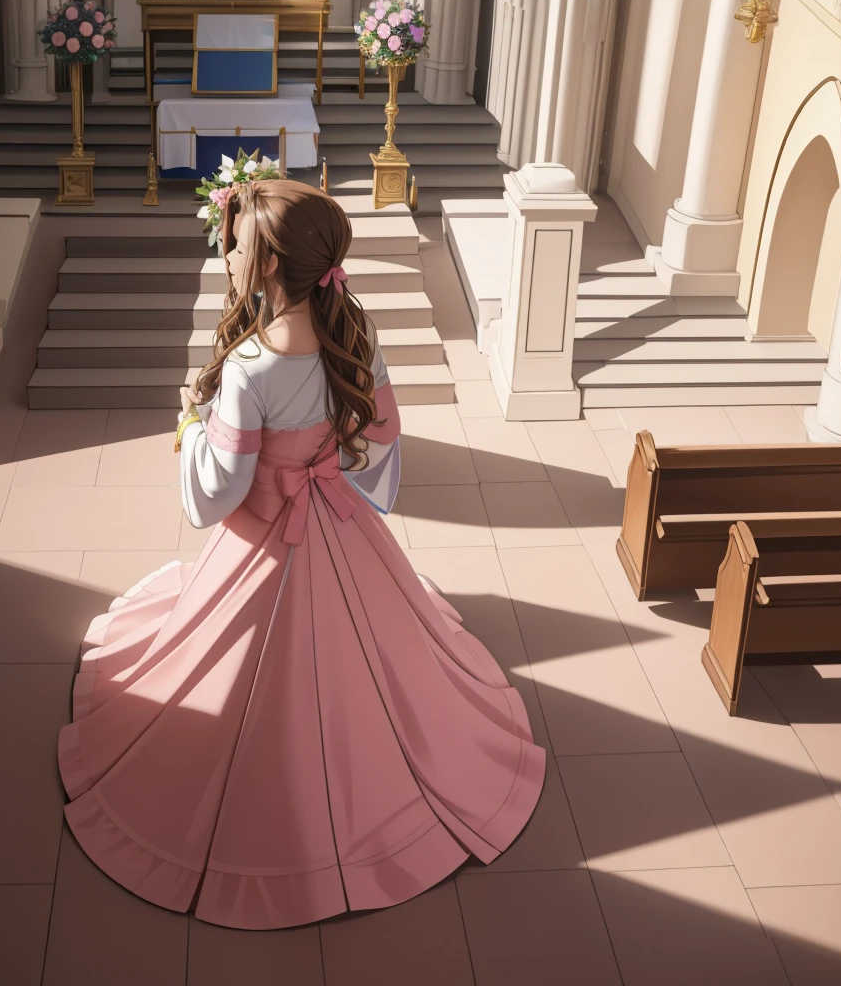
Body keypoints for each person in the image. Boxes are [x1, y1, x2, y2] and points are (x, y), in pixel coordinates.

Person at [57, 178, 545, 930]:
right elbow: (380, 436)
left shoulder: (252, 368)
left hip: (262, 535)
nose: (227, 261)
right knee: (382, 665)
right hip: (338, 524)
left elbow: (217, 491)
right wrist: (330, 466)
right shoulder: (357, 334)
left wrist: (189, 432)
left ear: (269, 267)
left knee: (229, 672)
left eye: (238, 250)